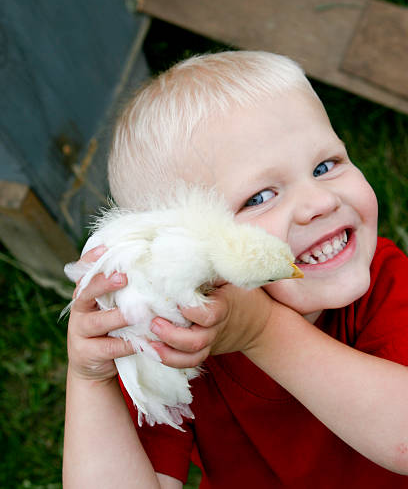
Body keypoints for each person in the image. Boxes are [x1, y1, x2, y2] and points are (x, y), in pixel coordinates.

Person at [63, 51, 408, 488]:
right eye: (260, 197)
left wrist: (263, 331)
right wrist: (91, 381)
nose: (320, 203)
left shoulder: (386, 282)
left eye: (325, 166)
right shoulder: (180, 340)